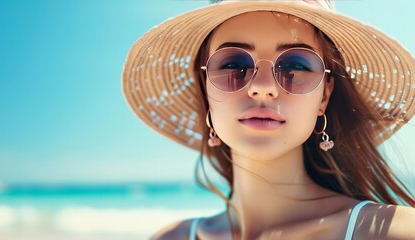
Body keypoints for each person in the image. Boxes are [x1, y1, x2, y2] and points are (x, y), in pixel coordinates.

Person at [122, 0, 415, 239]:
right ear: (204, 90)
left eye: (295, 65)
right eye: (234, 64)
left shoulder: (392, 232)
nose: (263, 86)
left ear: (324, 96)